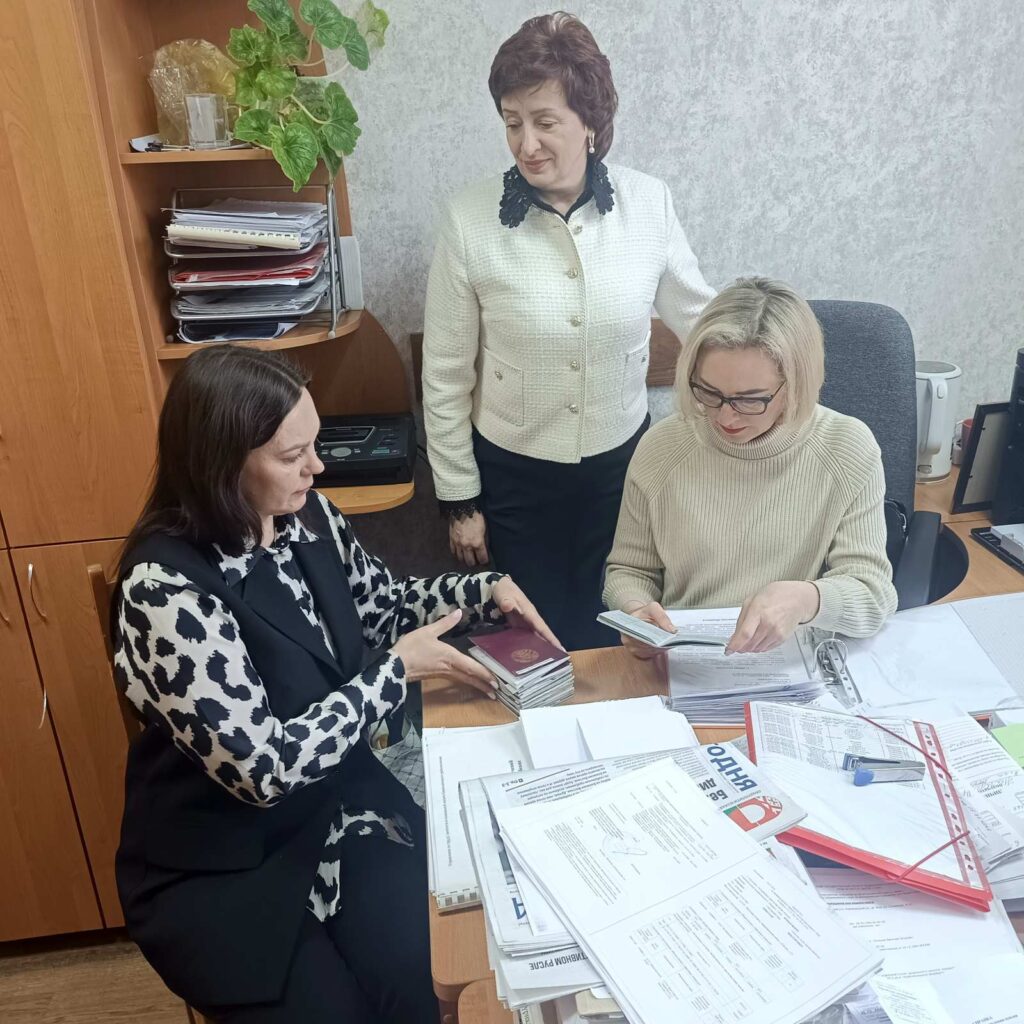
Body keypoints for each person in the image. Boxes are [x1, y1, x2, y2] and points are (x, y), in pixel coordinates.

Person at [112, 345, 556, 1023]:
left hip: (336, 812)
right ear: (222, 466)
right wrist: (393, 672)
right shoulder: (165, 590)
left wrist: (480, 591)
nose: (317, 467)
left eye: (314, 445)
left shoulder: (309, 518)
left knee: (429, 981)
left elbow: (382, 608)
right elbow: (263, 770)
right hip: (226, 860)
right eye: (293, 456)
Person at [422, 12, 715, 651]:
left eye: (544, 121)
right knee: (533, 646)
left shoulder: (649, 204)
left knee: (621, 635)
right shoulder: (469, 220)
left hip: (623, 474)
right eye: (512, 123)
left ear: (590, 122)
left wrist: (773, 358)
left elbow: (703, 321)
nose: (526, 143)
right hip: (514, 482)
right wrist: (459, 500)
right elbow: (444, 374)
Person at [604, 277, 898, 657]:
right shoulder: (663, 448)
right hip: (683, 660)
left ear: (796, 384)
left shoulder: (847, 449)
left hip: (792, 662)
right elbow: (629, 571)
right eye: (709, 392)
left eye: (750, 400)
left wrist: (806, 599)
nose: (725, 417)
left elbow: (873, 595)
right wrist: (635, 613)